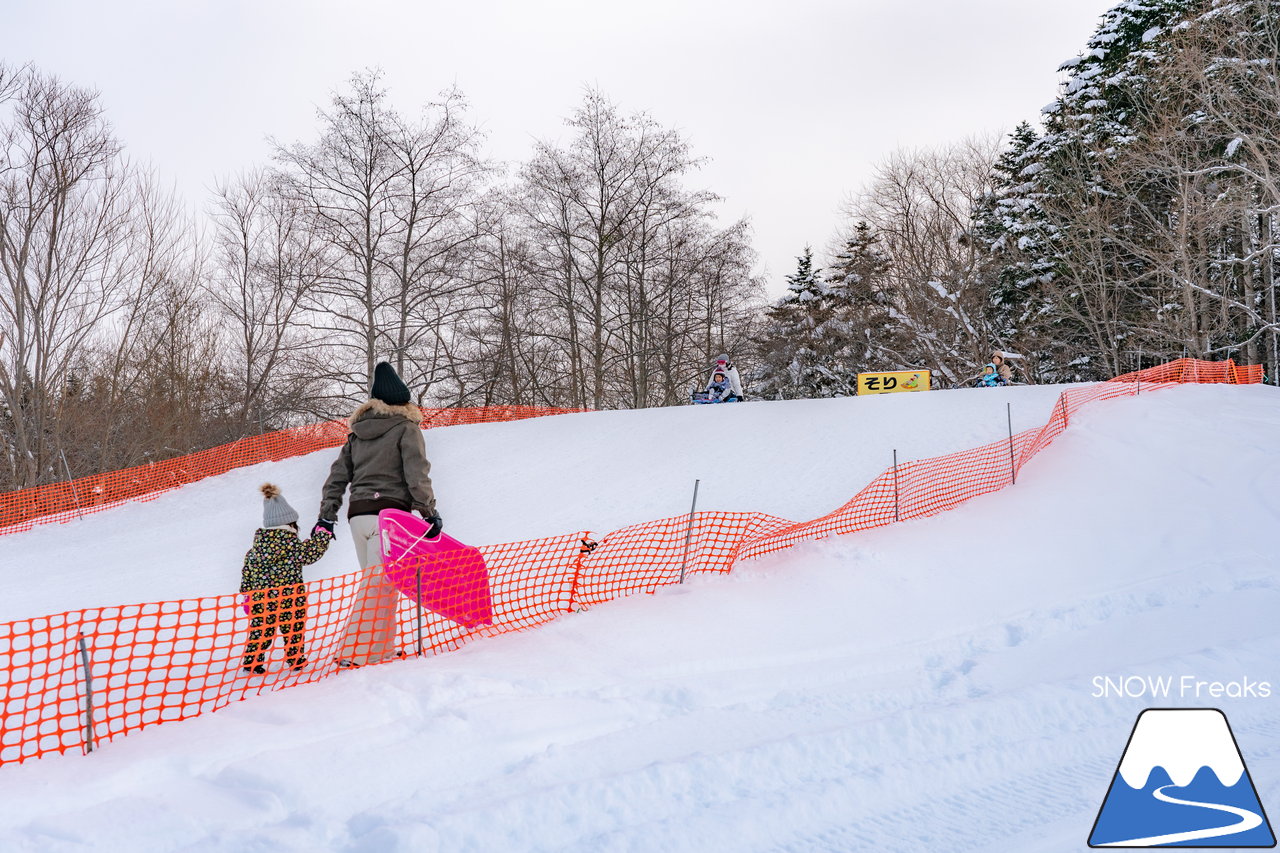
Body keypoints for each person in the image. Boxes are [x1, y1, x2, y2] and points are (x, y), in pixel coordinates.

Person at [319, 362, 441, 668]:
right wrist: (429, 511)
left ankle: (381, 650)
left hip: (358, 516)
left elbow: (336, 478)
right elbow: (417, 474)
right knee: (379, 585)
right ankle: (354, 654)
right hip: (389, 518)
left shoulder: (356, 435)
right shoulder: (406, 428)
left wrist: (327, 516)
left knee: (381, 583)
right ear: (402, 400)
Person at [240, 483, 333, 674]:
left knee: (261, 630)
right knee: (293, 629)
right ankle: (296, 660)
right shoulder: (292, 545)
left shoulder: (255, 550)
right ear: (291, 524)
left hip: (262, 600)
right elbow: (311, 553)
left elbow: (246, 574)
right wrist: (322, 536)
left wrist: (247, 595)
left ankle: (252, 661)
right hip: (290, 599)